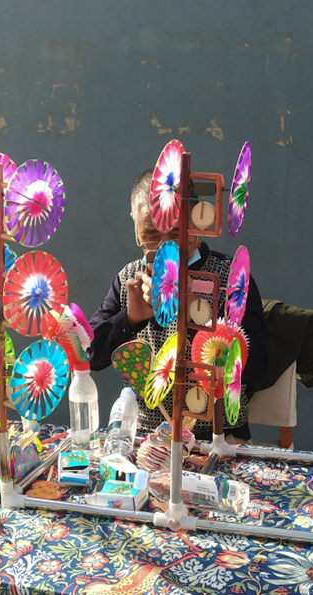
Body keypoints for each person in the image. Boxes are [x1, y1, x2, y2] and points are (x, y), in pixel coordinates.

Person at [89, 170, 268, 439]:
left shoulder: (231, 277)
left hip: (217, 436)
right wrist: (129, 319)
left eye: (176, 233)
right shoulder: (128, 279)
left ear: (196, 220)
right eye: (151, 234)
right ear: (135, 224)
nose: (165, 250)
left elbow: (258, 366)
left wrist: (194, 318)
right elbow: (90, 354)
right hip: (145, 437)